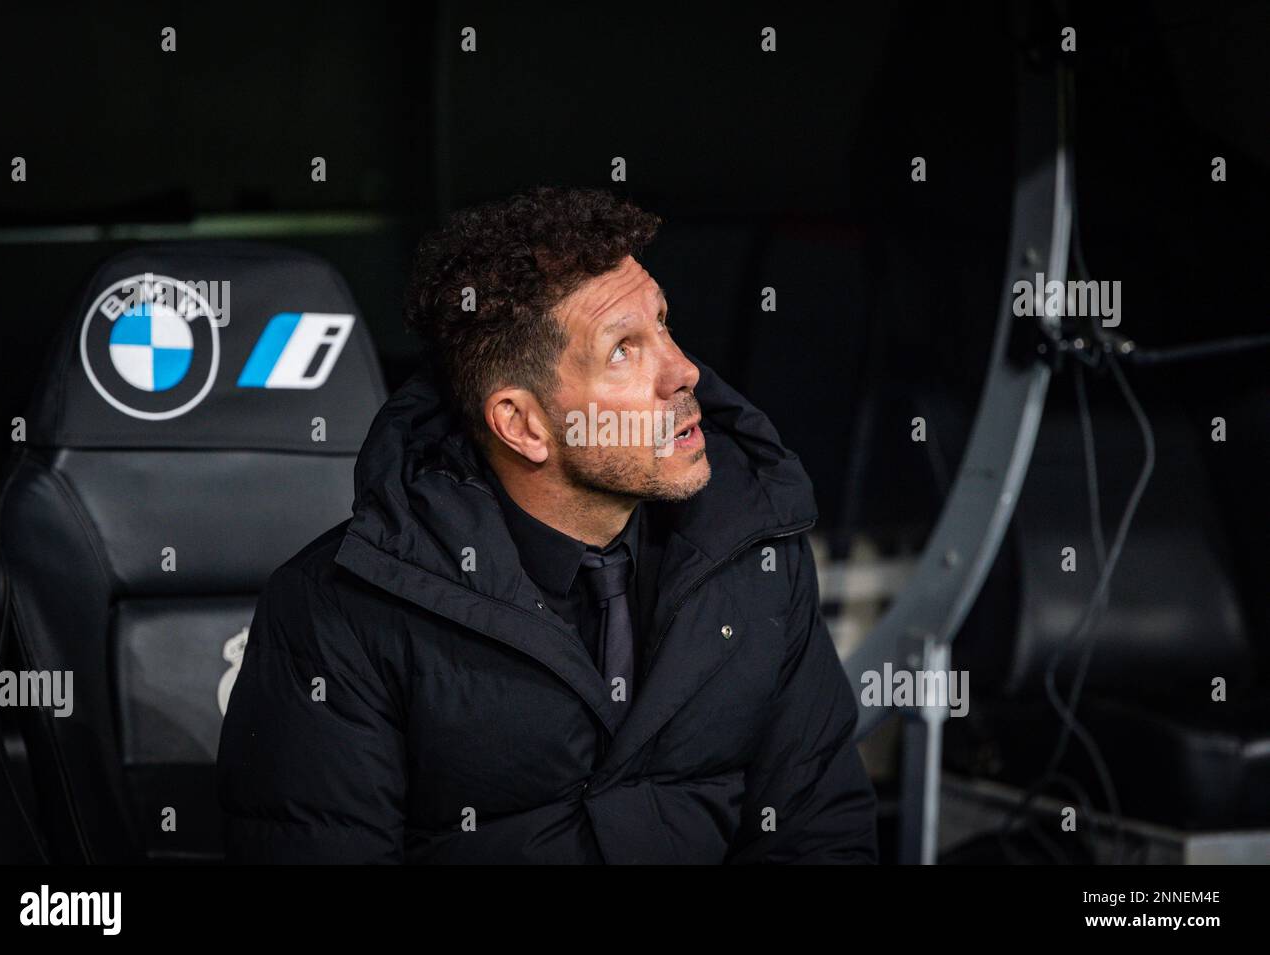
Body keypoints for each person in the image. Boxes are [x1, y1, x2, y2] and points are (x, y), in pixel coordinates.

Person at [216, 185, 878, 863]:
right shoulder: (335, 618)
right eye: (624, 350)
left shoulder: (756, 550)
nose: (684, 372)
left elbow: (819, 834)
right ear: (523, 425)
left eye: (665, 324)